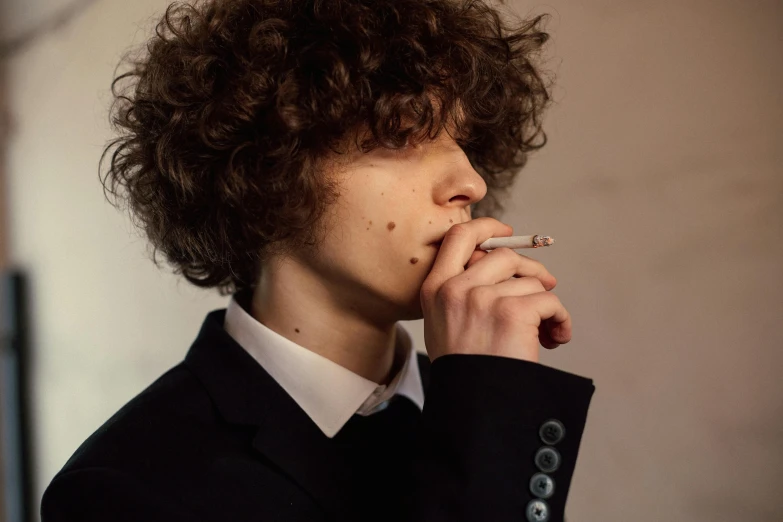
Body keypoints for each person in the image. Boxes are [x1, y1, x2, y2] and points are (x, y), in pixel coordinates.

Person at [40, 0, 595, 521]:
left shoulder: (483, 403)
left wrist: (492, 408)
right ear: (265, 174)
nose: (470, 182)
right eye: (399, 136)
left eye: (466, 140)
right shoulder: (125, 487)